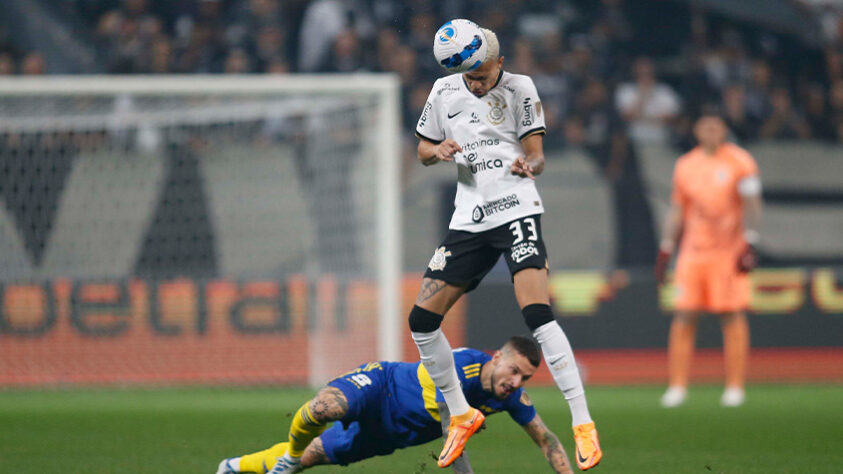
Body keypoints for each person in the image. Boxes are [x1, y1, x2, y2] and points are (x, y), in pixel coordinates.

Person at [407, 25, 601, 470]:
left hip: (516, 207)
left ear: (498, 60)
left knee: (536, 313)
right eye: (468, 78)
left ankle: (582, 422)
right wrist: (437, 150)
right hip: (468, 219)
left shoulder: (521, 88)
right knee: (421, 321)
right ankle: (459, 414)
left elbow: (537, 154)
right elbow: (420, 148)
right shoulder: (443, 89)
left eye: (480, 74)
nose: (474, 83)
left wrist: (526, 163)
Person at [217, 336, 575, 474]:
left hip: (393, 432)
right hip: (381, 388)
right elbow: (453, 434)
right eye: (513, 371)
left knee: (314, 458)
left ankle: (232, 467)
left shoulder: (511, 398)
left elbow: (547, 439)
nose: (515, 382)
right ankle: (288, 458)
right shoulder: (460, 367)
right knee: (324, 409)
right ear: (497, 358)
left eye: (524, 378)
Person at [654, 113, 763, 408]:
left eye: (716, 127)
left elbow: (752, 204)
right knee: (685, 315)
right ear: (697, 131)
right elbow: (678, 209)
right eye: (706, 127)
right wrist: (666, 247)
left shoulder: (740, 161)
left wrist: (750, 242)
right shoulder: (686, 165)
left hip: (729, 251)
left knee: (731, 314)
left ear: (724, 130)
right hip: (693, 251)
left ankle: (735, 386)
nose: (711, 132)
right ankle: (677, 386)